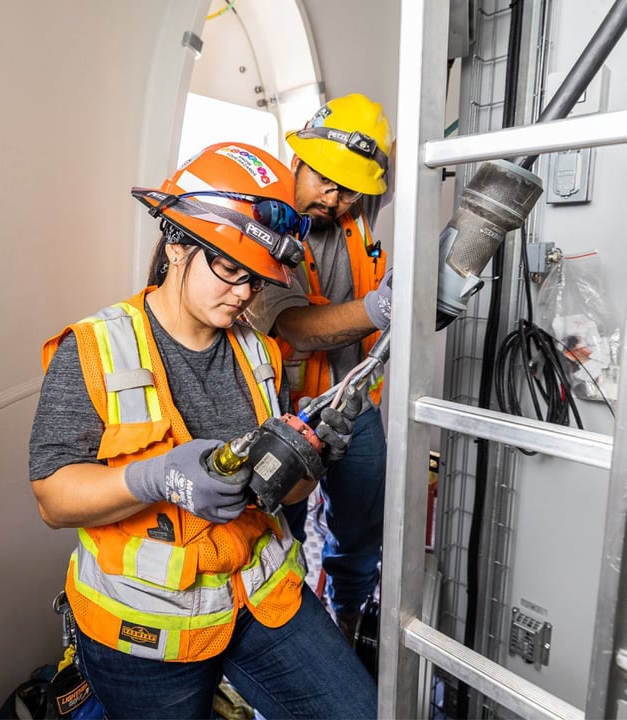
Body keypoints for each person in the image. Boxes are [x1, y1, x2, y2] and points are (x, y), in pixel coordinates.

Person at [28, 142, 377, 719]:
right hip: (147, 628)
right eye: (228, 269)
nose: (243, 292)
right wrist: (154, 477)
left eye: (257, 280)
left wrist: (310, 460)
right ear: (176, 243)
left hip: (260, 599)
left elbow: (281, 494)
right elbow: (52, 500)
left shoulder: (259, 353)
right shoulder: (93, 350)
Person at [245, 94, 395, 643]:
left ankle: (349, 619)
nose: (333, 198)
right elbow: (295, 326)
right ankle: (292, 644)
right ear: (299, 160)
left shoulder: (355, 210)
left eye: (348, 186)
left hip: (356, 407)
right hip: (288, 416)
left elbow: (392, 161)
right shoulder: (268, 225)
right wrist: (380, 308)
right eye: (325, 180)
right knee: (280, 538)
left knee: (359, 533)